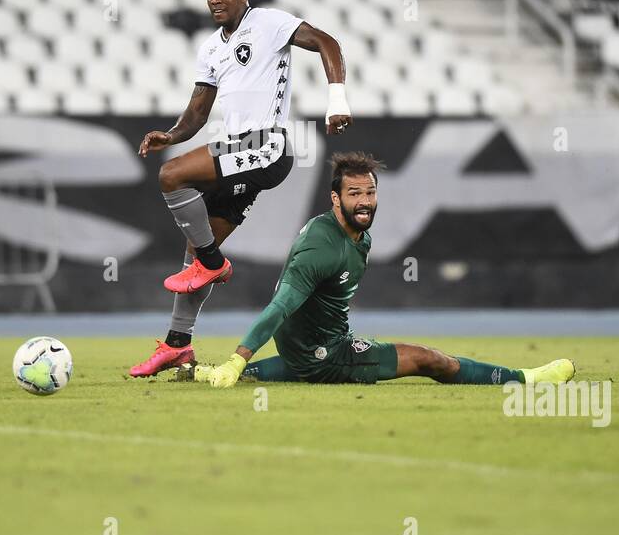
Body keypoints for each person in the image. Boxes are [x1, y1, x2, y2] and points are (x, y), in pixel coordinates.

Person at [180, 151, 576, 389]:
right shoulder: (322, 246)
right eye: (355, 194)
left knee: (250, 377)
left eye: (370, 192)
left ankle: (199, 373)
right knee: (430, 360)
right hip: (328, 355)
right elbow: (281, 306)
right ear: (336, 199)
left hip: (305, 352)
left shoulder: (357, 236)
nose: (365, 201)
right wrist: (239, 356)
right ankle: (526, 378)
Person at [128, 0, 352, 378]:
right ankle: (179, 345)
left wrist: (337, 100)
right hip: (239, 152)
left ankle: (214, 263)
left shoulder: (268, 23)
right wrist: (172, 135)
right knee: (195, 247)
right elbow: (198, 110)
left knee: (171, 176)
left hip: (265, 143)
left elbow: (326, 41)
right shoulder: (211, 47)